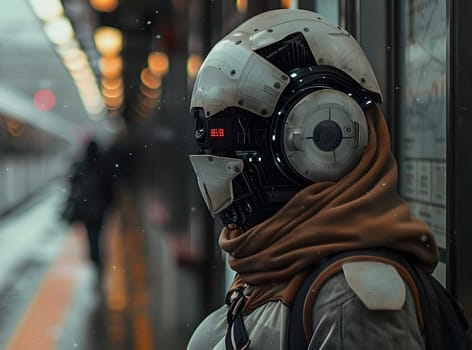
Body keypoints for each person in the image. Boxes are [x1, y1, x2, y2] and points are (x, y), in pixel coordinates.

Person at [186, 9, 470, 350]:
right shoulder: (273, 265)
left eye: (240, 139)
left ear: (324, 135)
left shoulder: (350, 299)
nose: (225, 160)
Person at [63, 140, 113, 279]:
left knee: (92, 236)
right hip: (100, 210)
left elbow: (71, 182)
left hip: (86, 210)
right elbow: (110, 188)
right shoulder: (103, 166)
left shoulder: (81, 165)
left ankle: (94, 260)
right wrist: (108, 204)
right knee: (99, 235)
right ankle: (98, 262)